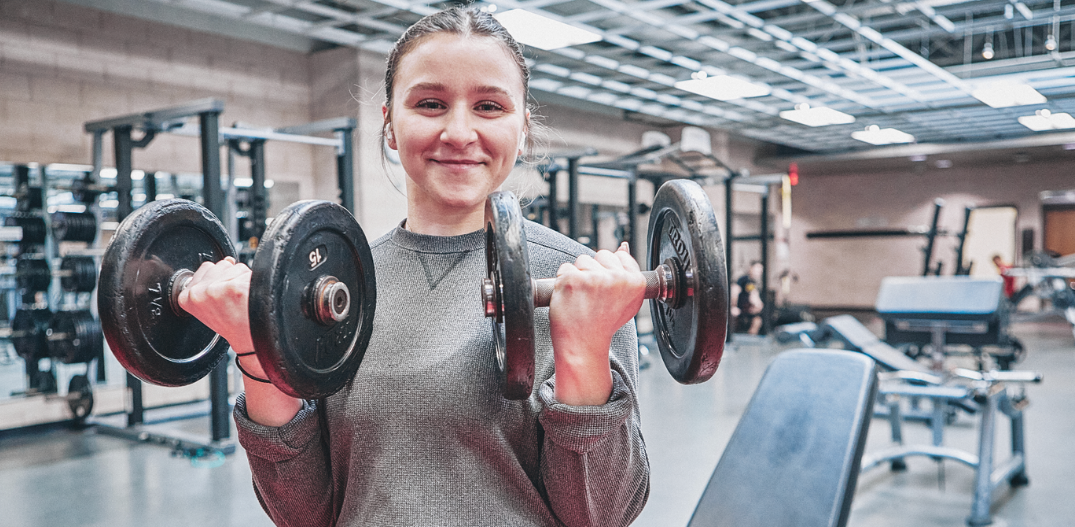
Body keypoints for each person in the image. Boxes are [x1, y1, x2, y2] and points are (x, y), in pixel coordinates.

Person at [174, 6, 650, 526]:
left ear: (522, 128)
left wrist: (583, 346)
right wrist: (255, 348)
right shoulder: (338, 283)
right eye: (430, 104)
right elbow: (305, 514)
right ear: (390, 126)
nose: (459, 132)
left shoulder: (577, 283)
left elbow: (602, 515)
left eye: (489, 106)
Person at [730, 261, 764, 335]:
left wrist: (758, 304)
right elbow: (735, 291)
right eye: (757, 269)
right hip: (739, 310)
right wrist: (733, 307)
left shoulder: (753, 282)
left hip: (747, 311)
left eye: (761, 270)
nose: (759, 272)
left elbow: (754, 295)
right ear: (751, 268)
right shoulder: (744, 279)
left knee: (757, 321)